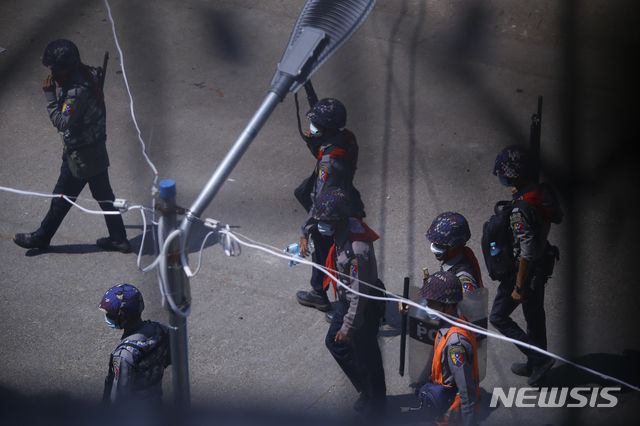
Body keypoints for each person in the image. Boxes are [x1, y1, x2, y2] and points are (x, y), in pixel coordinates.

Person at [13, 39, 130, 253]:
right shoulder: (86, 75)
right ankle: (118, 238)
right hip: (94, 149)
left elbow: (62, 122)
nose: (52, 74)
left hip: (81, 154)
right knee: (104, 196)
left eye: (55, 69)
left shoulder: (76, 92)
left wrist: (50, 96)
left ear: (66, 68)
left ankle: (42, 237)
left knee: (62, 196)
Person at [488, 145, 562, 385]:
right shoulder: (541, 193)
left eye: (506, 175)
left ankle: (539, 359)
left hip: (525, 271)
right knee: (534, 317)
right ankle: (535, 365)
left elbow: (527, 250)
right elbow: (556, 217)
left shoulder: (520, 210)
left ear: (516, 175)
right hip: (541, 265)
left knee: (498, 317)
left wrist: (518, 286)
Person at [311, 188, 386, 415]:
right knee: (336, 344)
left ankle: (377, 403)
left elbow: (359, 294)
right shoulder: (342, 229)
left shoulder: (357, 249)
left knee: (367, 355)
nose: (321, 225)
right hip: (347, 300)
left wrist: (348, 327)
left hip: (362, 307)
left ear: (338, 219)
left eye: (325, 221)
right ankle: (366, 390)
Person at [294, 98, 366, 312]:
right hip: (347, 201)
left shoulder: (329, 163)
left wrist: (305, 230)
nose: (312, 126)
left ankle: (329, 298)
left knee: (326, 253)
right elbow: (326, 149)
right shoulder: (347, 138)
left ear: (325, 127)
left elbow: (320, 199)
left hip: (330, 211)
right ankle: (329, 295)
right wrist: (314, 141)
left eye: (316, 124)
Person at [418, 270, 479, 426]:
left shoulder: (455, 345)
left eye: (432, 302)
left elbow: (466, 392)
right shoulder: (454, 318)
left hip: (451, 412)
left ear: (448, 306)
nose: (427, 306)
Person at [99, 283, 170, 404]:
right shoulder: (160, 330)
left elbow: (118, 398)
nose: (107, 317)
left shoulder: (124, 355)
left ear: (123, 317)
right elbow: (172, 359)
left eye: (110, 315)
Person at [426, 212, 484, 294]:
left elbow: (468, 302)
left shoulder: (462, 279)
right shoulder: (451, 262)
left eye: (440, 245)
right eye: (435, 244)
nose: (435, 249)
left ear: (454, 246)